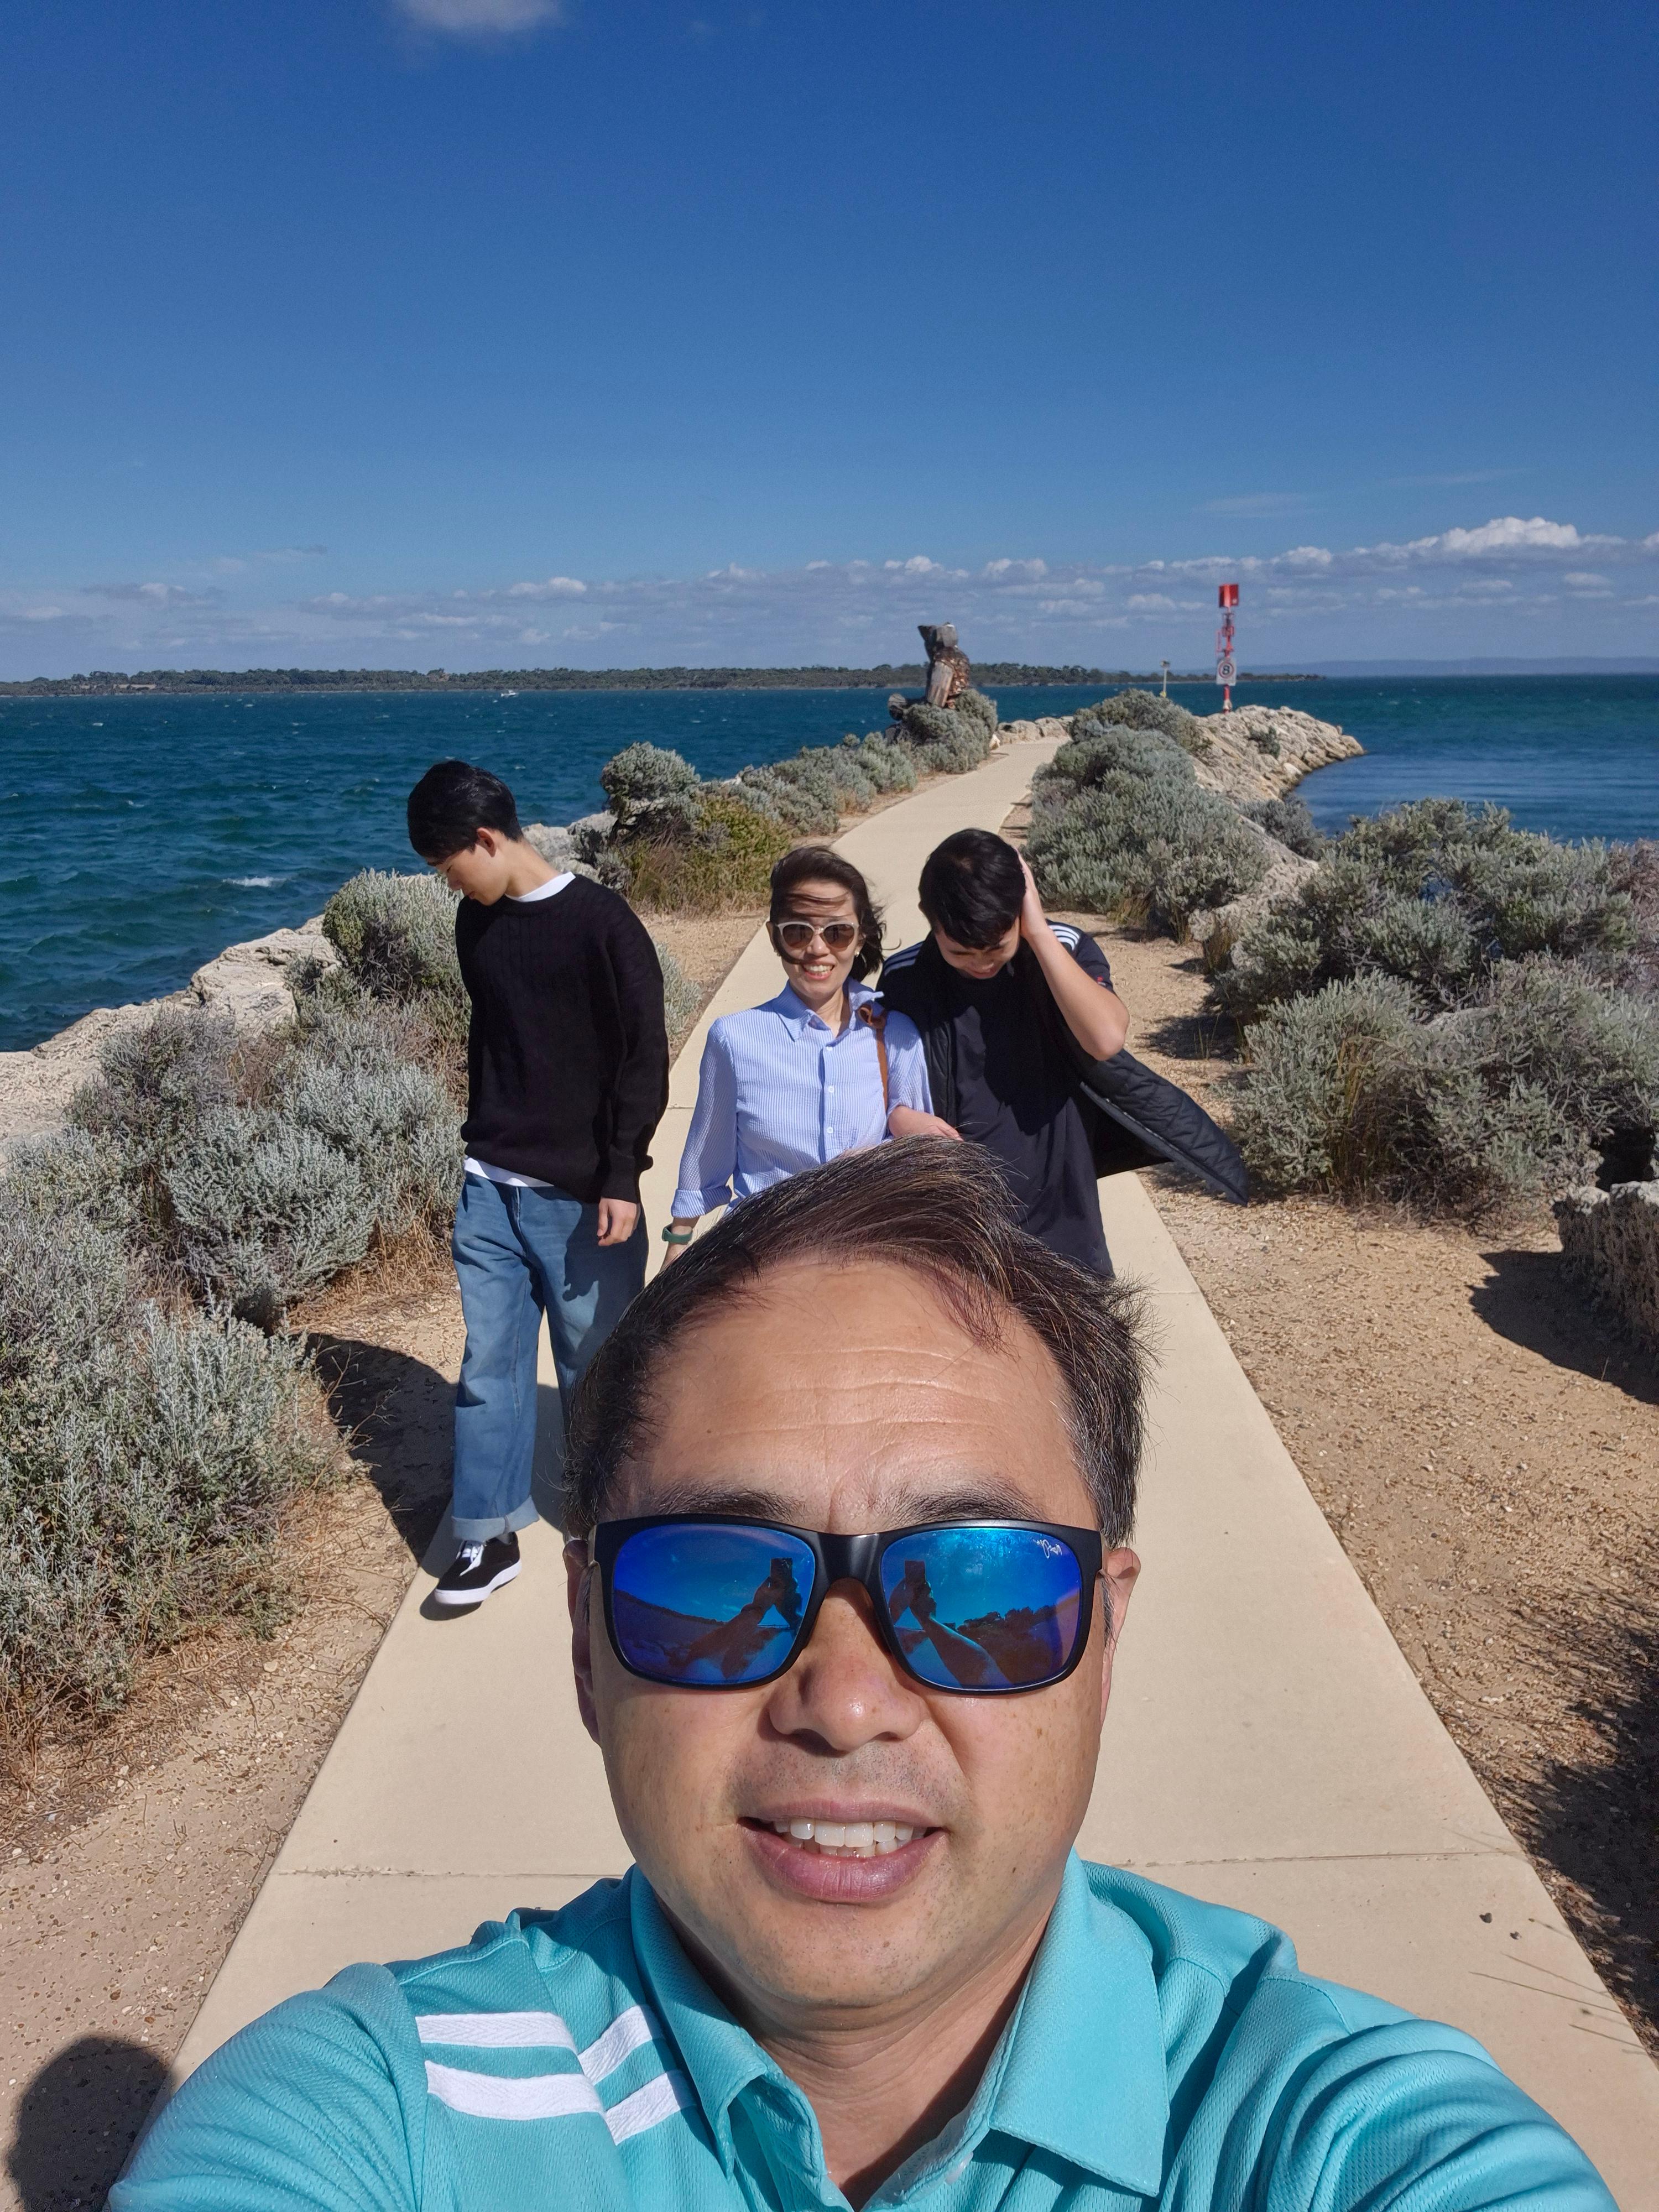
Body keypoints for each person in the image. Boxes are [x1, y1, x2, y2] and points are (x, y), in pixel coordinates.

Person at [119, 1142, 1611, 2211]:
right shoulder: (381, 2114)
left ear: (1103, 1637)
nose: (843, 1702)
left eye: (977, 1586)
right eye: (714, 1579)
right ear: (584, 1645)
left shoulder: (1335, 2138)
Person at [406, 760, 668, 1609]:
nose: (448, 885)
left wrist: (621, 1172)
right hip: (489, 1186)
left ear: (486, 840)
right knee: (490, 1364)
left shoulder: (603, 925)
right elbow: (497, 1044)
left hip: (584, 1197)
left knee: (597, 1369)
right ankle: (486, 1538)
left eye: (449, 866)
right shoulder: (475, 925)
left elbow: (644, 1058)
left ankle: (611, 1529)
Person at [662, 846, 946, 1256]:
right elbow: (705, 1163)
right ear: (774, 937)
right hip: (759, 1260)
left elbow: (918, 1164)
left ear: (860, 938)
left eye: (837, 933)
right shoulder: (735, 1040)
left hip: (864, 1258)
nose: (817, 949)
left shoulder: (895, 1036)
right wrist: (678, 1245)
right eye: (798, 932)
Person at [879, 827, 1130, 1275]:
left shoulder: (1062, 948)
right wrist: (898, 1116)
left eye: (997, 947)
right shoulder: (904, 976)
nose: (982, 963)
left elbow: (1106, 1038)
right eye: (961, 953)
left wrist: (1038, 932)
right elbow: (882, 1073)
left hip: (1063, 1221)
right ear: (930, 920)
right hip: (959, 1224)